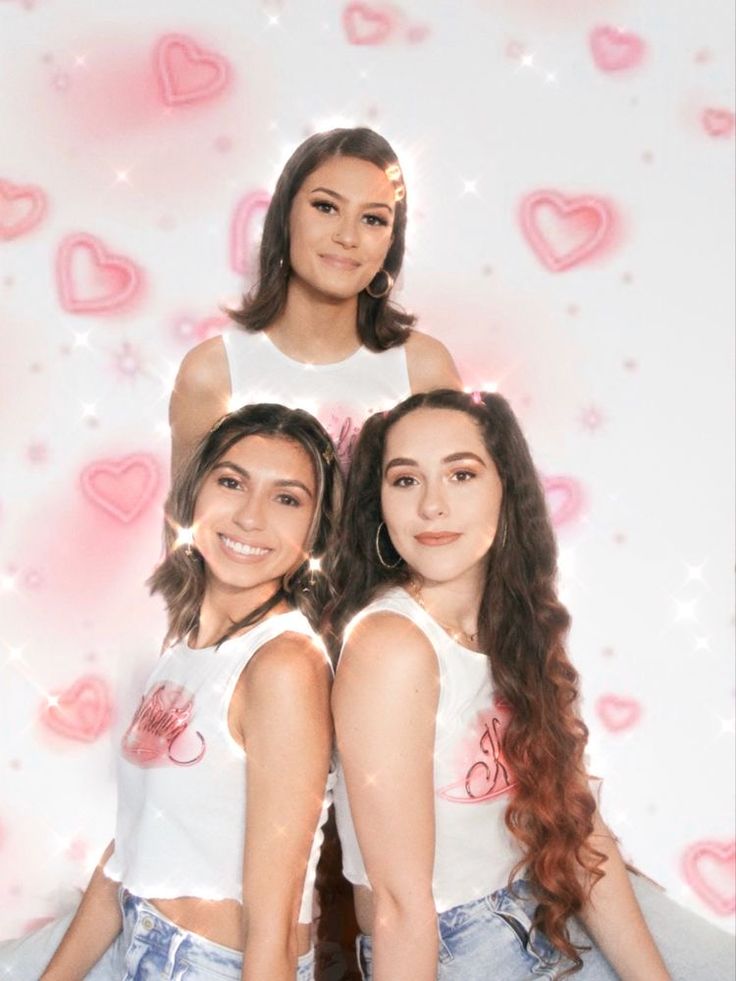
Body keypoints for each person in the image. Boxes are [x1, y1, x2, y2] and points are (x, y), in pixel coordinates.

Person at [328, 389, 734, 980]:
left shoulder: (517, 623)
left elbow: (577, 826)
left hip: (551, 893)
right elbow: (398, 905)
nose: (432, 506)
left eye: (461, 474)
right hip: (463, 943)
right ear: (380, 505)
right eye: (405, 481)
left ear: (504, 488)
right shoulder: (391, 648)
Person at [0, 403, 341, 981]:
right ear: (195, 497)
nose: (251, 518)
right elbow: (131, 849)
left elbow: (275, 925)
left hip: (210, 965)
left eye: (287, 498)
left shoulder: (283, 666)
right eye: (231, 482)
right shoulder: (184, 645)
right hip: (136, 938)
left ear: (314, 530)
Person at [170, 126, 461, 475]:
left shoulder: (424, 371)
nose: (347, 236)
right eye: (326, 207)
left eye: (373, 219)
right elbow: (187, 524)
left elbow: (457, 512)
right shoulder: (213, 373)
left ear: (390, 242)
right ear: (285, 216)